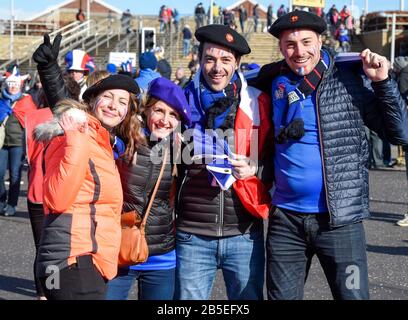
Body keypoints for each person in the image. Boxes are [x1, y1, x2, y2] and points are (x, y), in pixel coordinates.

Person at [255, 10, 408, 300]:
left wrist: (382, 82)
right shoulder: (272, 79)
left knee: (353, 297)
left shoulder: (348, 77)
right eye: (290, 44)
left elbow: (401, 133)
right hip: (285, 222)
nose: (299, 51)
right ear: (280, 48)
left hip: (340, 222)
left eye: (306, 42)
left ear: (321, 40)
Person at [175, 24, 273, 300]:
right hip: (192, 234)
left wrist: (256, 169)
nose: (217, 67)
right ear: (200, 60)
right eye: (210, 59)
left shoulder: (256, 103)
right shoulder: (179, 103)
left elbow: (276, 158)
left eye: (226, 60)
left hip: (243, 232)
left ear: (237, 63)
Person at [34, 75, 140, 300]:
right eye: (108, 97)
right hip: (72, 261)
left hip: (88, 261)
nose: (114, 106)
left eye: (123, 102)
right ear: (92, 100)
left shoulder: (101, 139)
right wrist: (75, 137)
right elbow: (57, 199)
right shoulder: (70, 134)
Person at [106, 77, 191, 300]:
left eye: (173, 115)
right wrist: (49, 72)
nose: (165, 120)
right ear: (146, 110)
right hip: (119, 250)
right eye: (159, 111)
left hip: (162, 257)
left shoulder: (180, 149)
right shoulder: (125, 138)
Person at [24, 77, 80, 300]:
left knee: (42, 249)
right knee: (57, 252)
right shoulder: (74, 118)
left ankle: (42, 294)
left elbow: (28, 157)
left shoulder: (31, 117)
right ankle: (52, 290)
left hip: (36, 190)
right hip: (61, 190)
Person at [0, 66, 37, 217]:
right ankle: (1, 201)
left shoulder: (26, 101)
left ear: (20, 85)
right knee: (0, 173)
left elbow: (33, 121)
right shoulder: (1, 100)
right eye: (10, 84)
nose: (13, 87)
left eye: (15, 85)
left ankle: (11, 204)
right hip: (2, 143)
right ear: (6, 85)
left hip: (17, 143)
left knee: (15, 174)